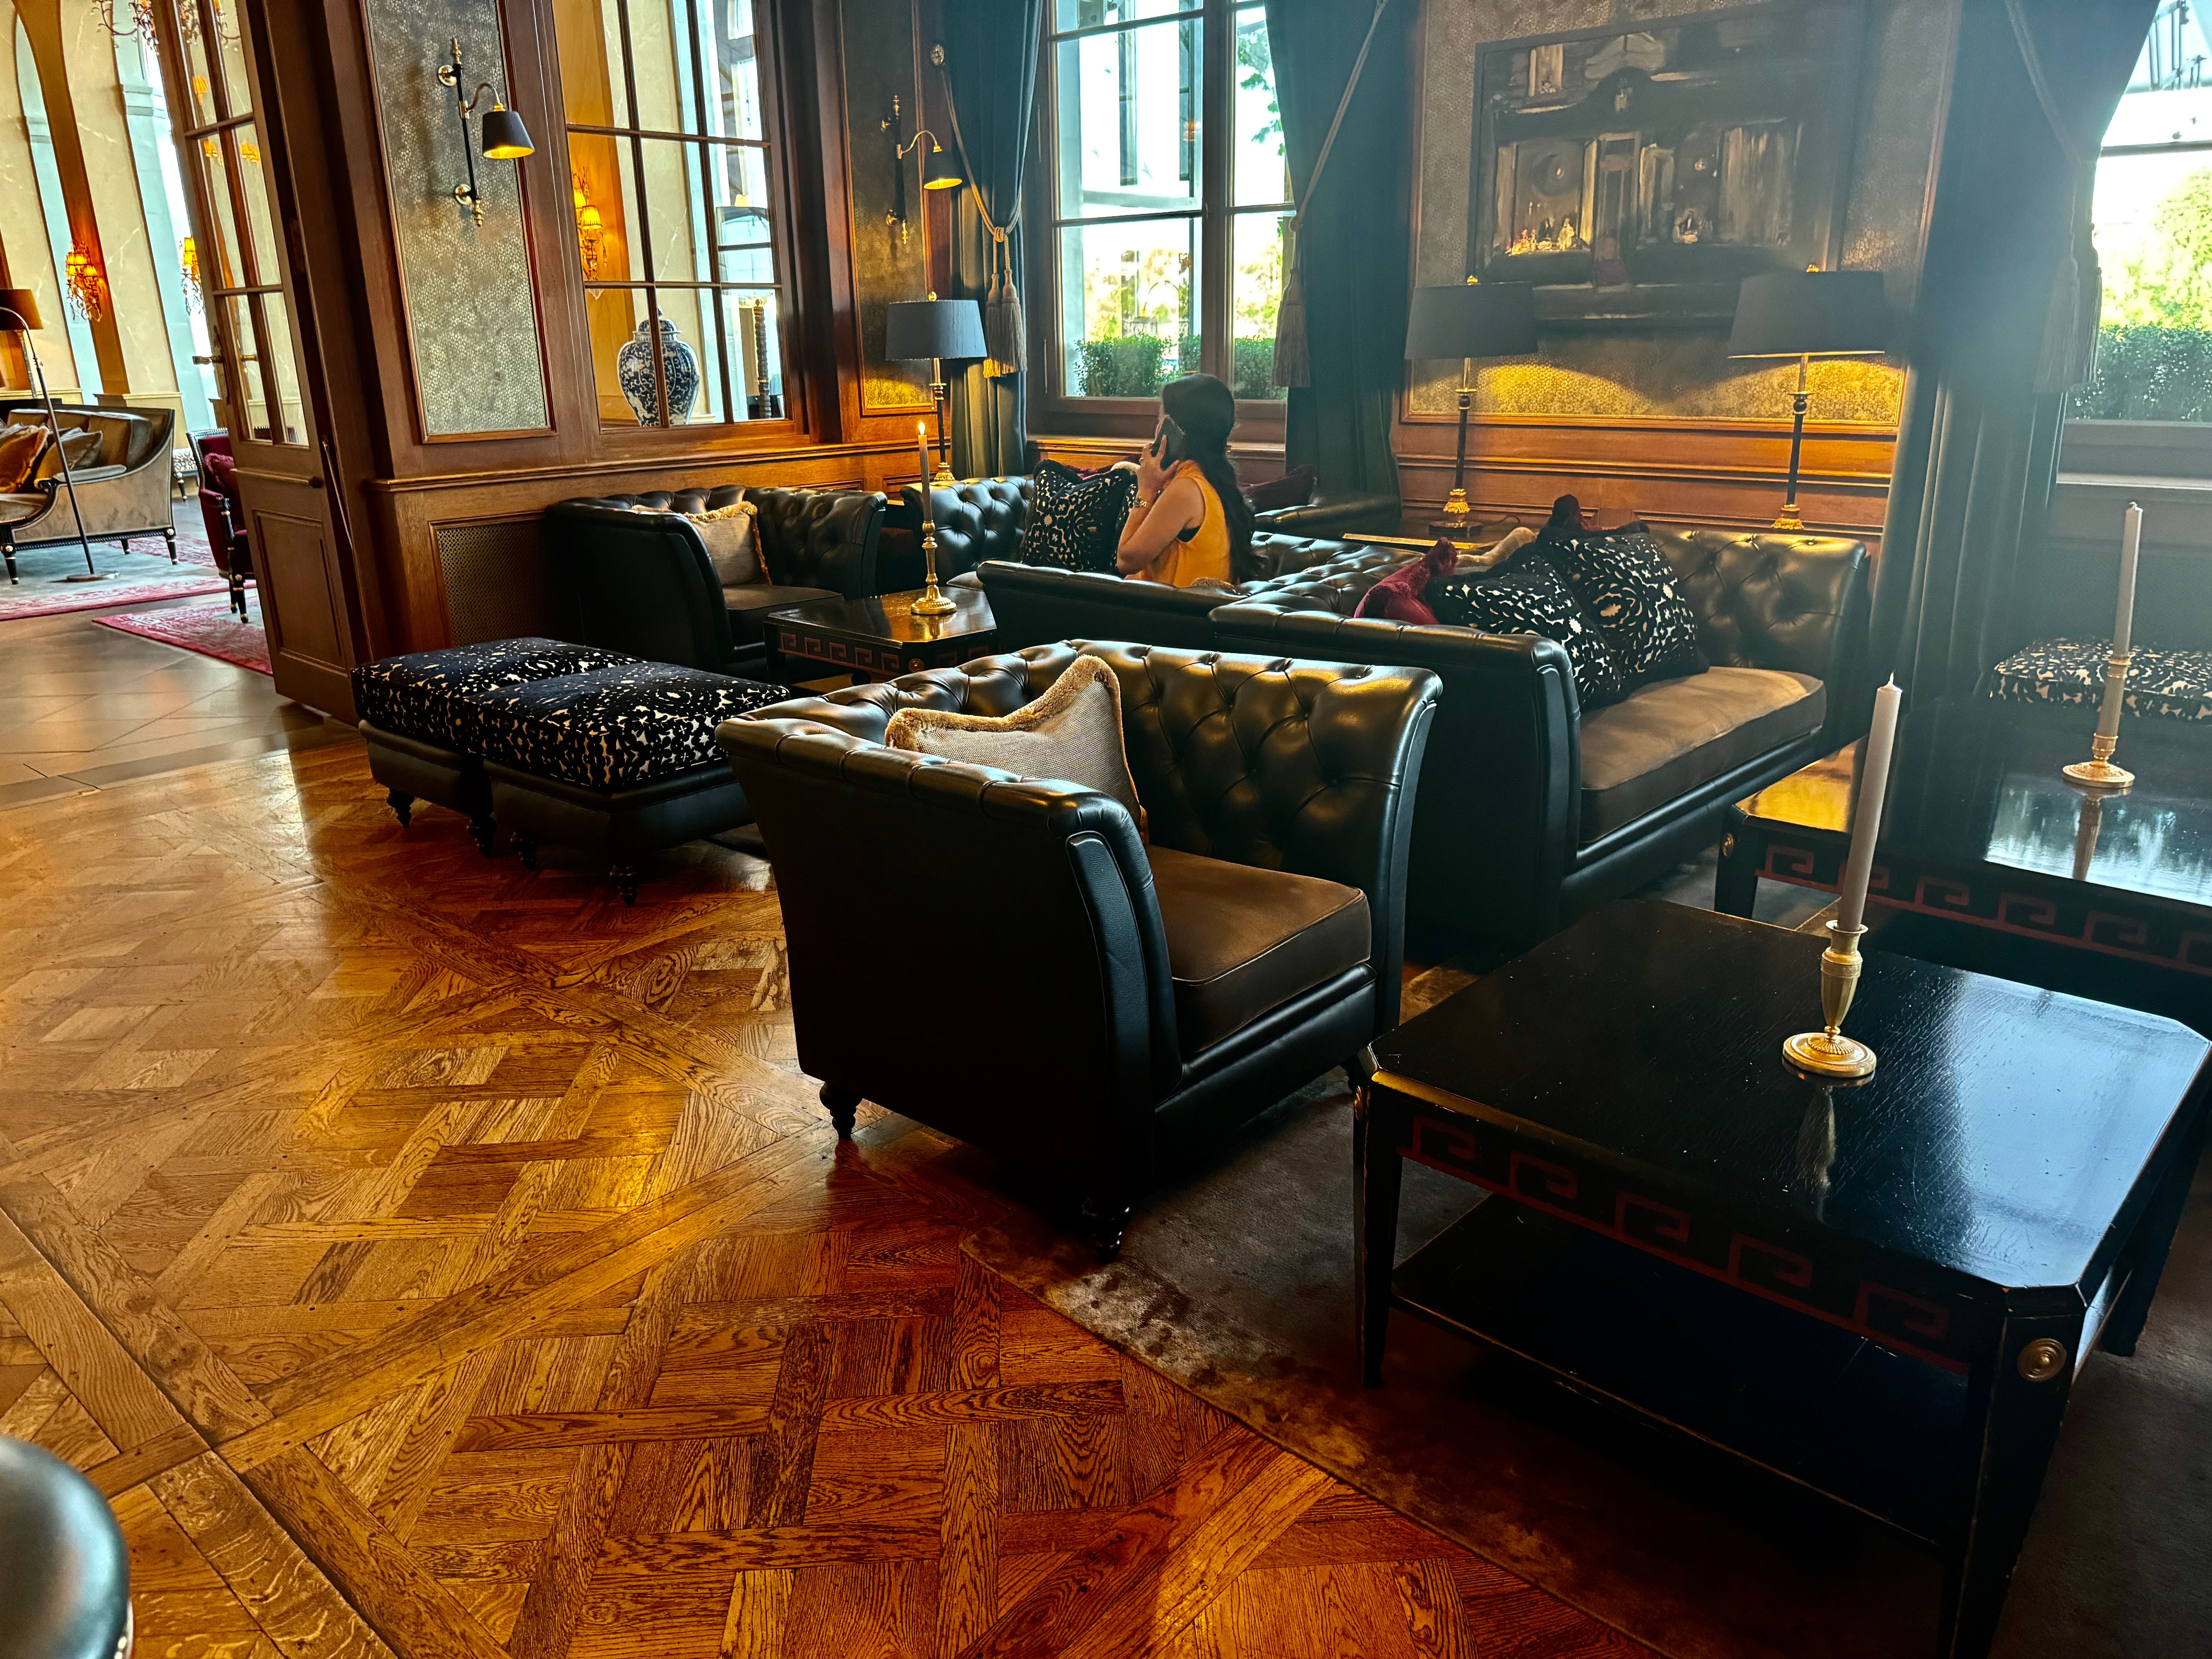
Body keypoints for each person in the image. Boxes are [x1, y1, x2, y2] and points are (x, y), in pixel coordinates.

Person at [1111, 373, 1258, 587]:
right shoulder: (1211, 479)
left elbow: (1126, 561)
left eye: (1161, 419)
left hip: (1174, 608)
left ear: (1171, 430)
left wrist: (1146, 491)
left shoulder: (1187, 489)